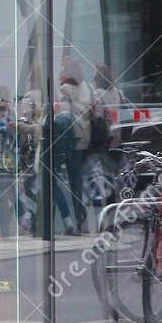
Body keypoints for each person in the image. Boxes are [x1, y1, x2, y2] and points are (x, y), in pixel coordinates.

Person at [51, 60, 94, 235]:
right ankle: (82, 222)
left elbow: (60, 112)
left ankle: (73, 222)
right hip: (84, 138)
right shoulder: (87, 87)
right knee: (77, 182)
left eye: (63, 70)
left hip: (69, 138)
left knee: (59, 180)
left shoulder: (65, 89)